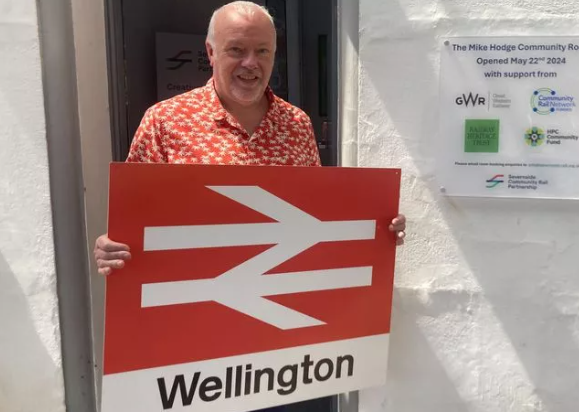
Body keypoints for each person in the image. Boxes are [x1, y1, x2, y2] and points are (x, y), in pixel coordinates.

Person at [93, 1, 406, 276]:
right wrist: (114, 245)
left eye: (262, 51)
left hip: (277, 296)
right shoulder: (165, 122)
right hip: (194, 303)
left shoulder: (297, 125)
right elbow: (134, 219)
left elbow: (315, 215)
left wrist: (375, 229)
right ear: (211, 52)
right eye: (237, 50)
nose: (250, 63)